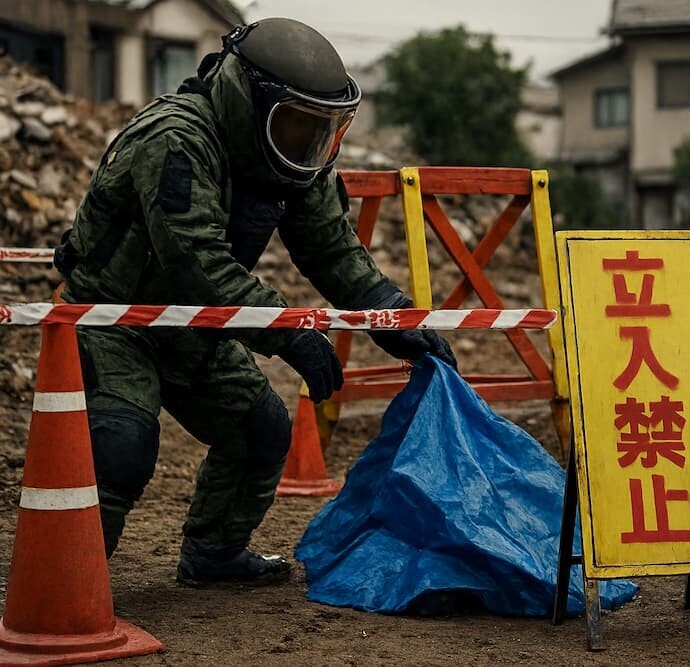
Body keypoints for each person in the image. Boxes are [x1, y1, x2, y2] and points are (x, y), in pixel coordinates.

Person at [53, 17, 455, 586]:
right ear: (250, 99)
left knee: (260, 429)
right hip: (112, 320)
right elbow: (198, 265)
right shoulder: (176, 137)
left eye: (323, 129)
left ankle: (213, 555)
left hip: (193, 326)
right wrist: (290, 334)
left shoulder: (292, 160)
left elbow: (331, 248)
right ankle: (67, 586)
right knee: (120, 445)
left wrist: (390, 315)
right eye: (297, 125)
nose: (308, 143)